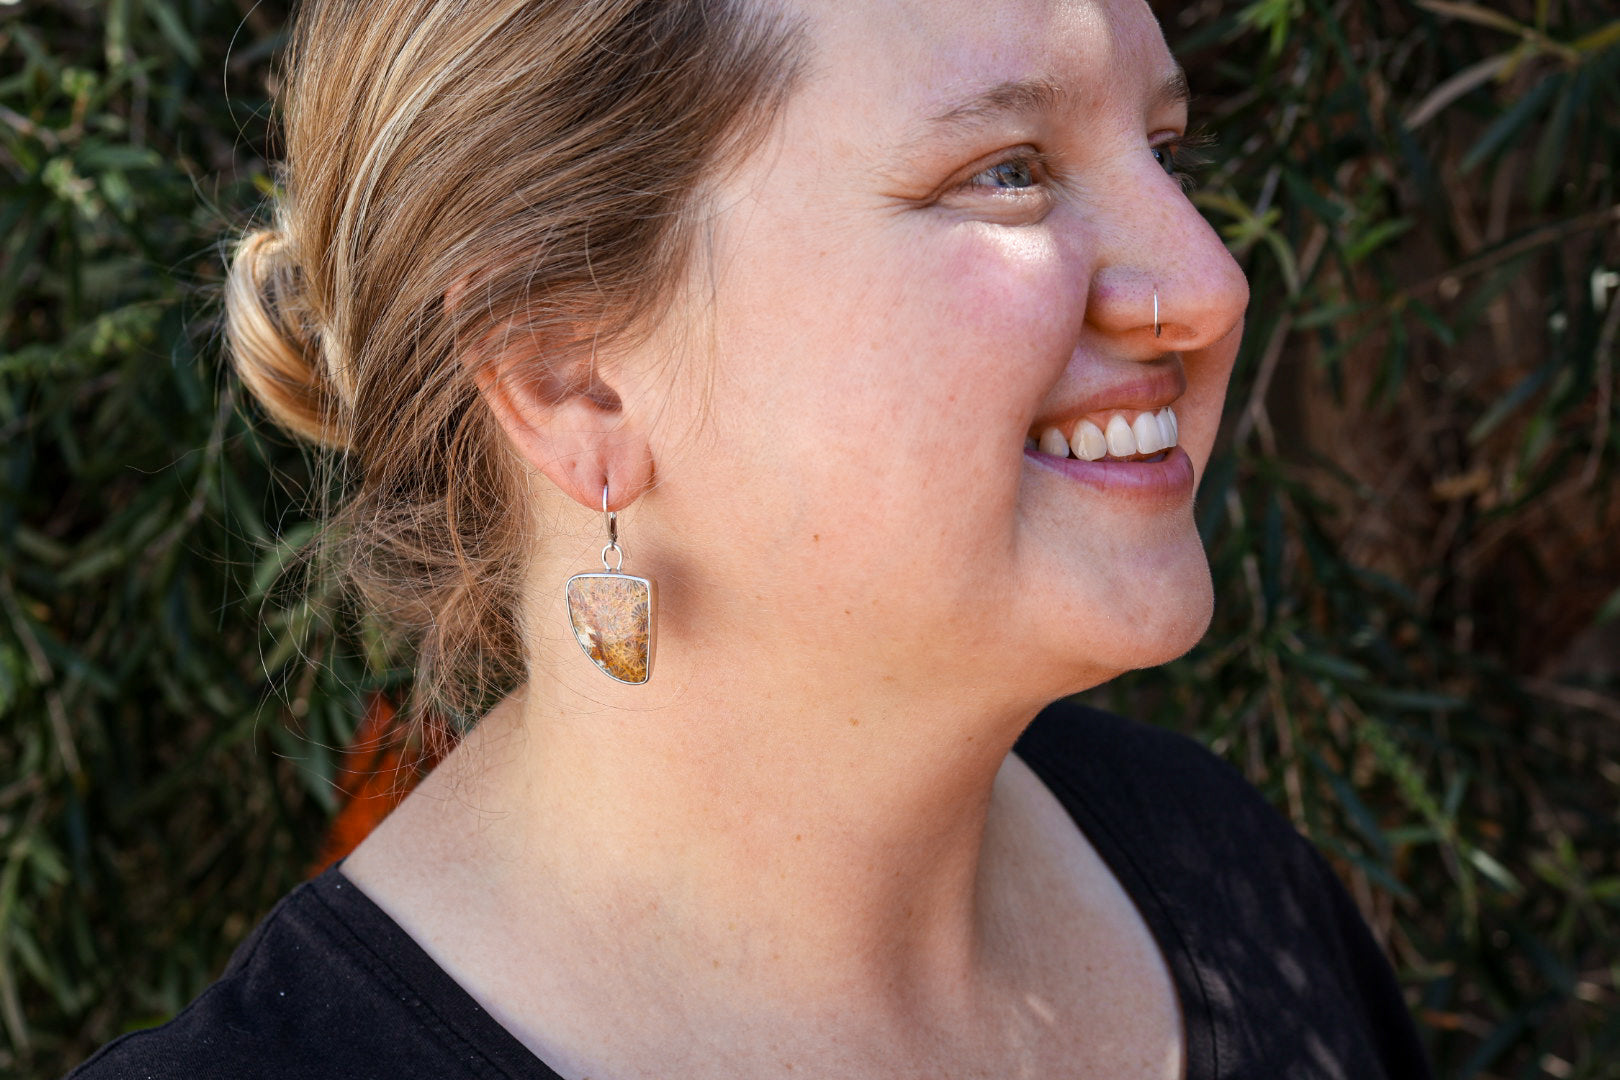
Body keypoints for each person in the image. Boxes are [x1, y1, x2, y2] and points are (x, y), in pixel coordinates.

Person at [68, 0, 1436, 1077]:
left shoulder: (1225, 882)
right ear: (569, 373)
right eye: (1008, 172)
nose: (1205, 282)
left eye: (1166, 149)